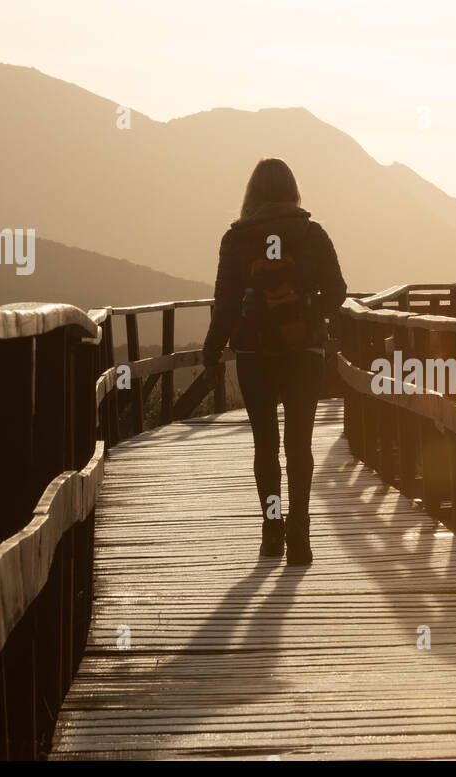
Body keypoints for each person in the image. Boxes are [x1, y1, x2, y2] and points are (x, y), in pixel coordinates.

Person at [201, 158, 347, 565]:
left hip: (253, 352)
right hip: (305, 353)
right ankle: (300, 529)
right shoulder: (312, 234)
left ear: (252, 194)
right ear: (292, 190)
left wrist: (212, 352)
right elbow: (337, 291)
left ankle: (272, 530)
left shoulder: (236, 239)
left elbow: (225, 303)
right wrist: (310, 308)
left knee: (265, 444)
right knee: (299, 444)